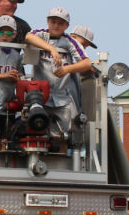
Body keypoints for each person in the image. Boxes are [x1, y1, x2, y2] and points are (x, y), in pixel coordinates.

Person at [28, 8, 93, 141]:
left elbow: (87, 64)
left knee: (66, 135)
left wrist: (67, 69)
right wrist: (51, 49)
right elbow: (28, 37)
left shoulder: (70, 41)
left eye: (61, 23)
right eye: (53, 21)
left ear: (67, 26)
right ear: (47, 21)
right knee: (37, 132)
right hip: (40, 98)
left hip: (62, 98)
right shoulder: (41, 34)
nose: (56, 25)